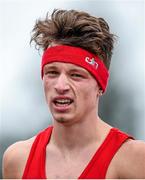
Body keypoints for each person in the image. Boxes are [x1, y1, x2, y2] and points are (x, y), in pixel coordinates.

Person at [2, 9, 145, 179]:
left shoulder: (132, 158)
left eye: (76, 75)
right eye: (52, 73)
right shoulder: (18, 159)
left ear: (100, 85)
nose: (60, 86)